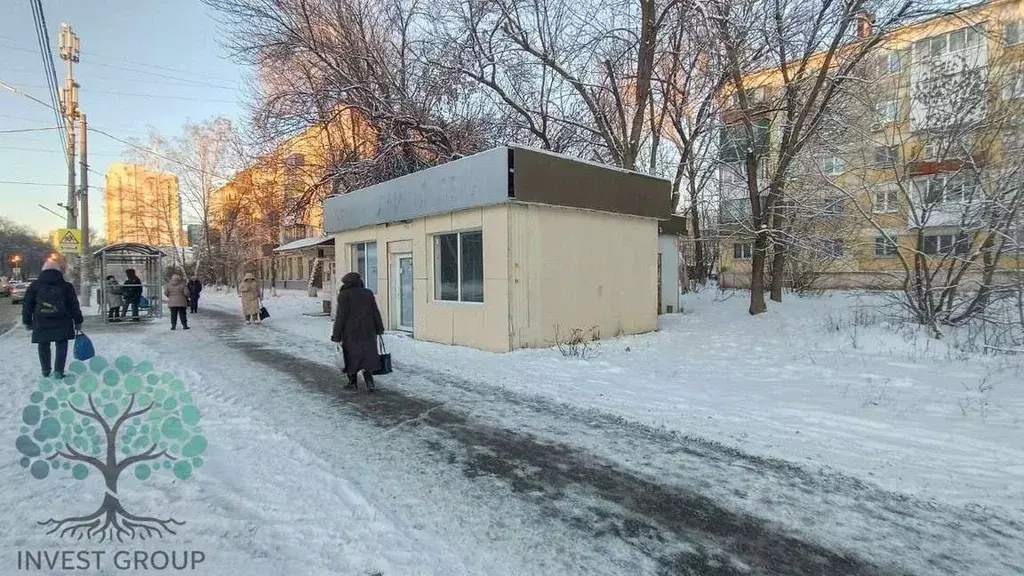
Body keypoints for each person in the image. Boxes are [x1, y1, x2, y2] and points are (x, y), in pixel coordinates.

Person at [21, 259, 84, 379]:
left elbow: (27, 304)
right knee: (62, 345)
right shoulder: (66, 286)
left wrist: (27, 321)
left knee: (43, 345)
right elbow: (73, 305)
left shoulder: (34, 286)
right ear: (59, 271)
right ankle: (58, 371)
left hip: (41, 321)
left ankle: (45, 370)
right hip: (63, 320)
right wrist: (78, 320)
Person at [331, 272, 384, 392]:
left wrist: (336, 335)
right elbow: (375, 311)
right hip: (368, 331)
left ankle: (352, 383)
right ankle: (370, 383)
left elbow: (341, 316)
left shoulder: (344, 295)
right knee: (367, 357)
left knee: (351, 357)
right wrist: (379, 328)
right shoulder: (368, 293)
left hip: (350, 332)